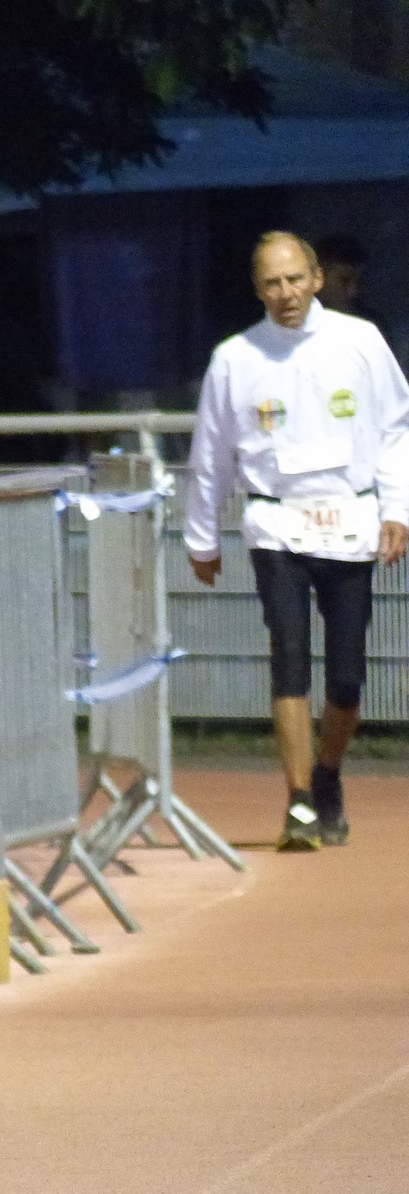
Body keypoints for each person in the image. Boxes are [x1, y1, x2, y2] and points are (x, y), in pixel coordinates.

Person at [184, 231, 409, 852]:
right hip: (276, 525)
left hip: (350, 522)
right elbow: (212, 454)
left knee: (347, 679)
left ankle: (327, 772)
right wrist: (202, 537)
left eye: (294, 279)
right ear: (258, 290)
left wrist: (398, 508)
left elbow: (396, 427)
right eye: (271, 283)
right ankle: (299, 799)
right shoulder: (235, 358)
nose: (285, 293)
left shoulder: (360, 341)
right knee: (288, 656)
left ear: (316, 279)